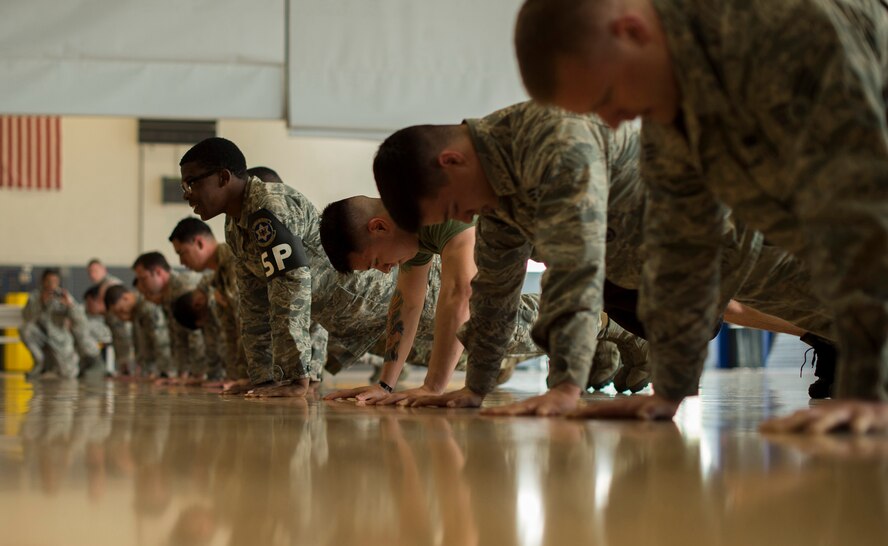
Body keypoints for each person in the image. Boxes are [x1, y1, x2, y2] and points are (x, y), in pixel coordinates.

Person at [513, 0, 888, 432]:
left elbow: (861, 205)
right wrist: (668, 392)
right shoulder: (672, 116)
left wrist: (868, 386)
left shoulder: (780, 25)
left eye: (607, 98)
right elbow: (683, 250)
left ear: (632, 32)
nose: (614, 123)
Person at [373, 101, 836, 415]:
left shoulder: (550, 138)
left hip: (731, 231)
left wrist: (566, 388)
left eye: (456, 208)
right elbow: (493, 294)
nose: (467, 217)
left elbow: (578, 266)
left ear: (452, 162)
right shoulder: (499, 201)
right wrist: (474, 389)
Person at [178, 139, 447, 397]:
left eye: (191, 183)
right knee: (452, 360)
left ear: (223, 178)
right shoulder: (236, 228)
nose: (186, 195)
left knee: (471, 344)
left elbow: (292, 293)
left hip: (393, 300)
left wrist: (296, 376)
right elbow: (253, 307)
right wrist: (261, 377)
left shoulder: (269, 207)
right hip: (357, 323)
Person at [319, 196, 649, 404]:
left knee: (496, 320)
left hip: (605, 232)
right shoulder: (409, 232)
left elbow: (460, 293)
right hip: (561, 248)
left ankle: (623, 331)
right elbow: (407, 303)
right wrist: (385, 386)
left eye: (377, 261)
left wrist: (433, 387)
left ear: (378, 227)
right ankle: (607, 334)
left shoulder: (435, 207)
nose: (385, 270)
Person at [132, 252, 209, 383]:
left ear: (158, 272)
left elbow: (195, 333)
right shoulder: (167, 295)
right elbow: (178, 337)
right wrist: (181, 374)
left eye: (143, 278)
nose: (141, 284)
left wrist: (198, 374)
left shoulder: (183, 287)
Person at [20, 269, 80, 380]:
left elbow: (79, 320)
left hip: (60, 338)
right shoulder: (35, 296)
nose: (51, 284)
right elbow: (27, 317)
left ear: (59, 282)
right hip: (40, 336)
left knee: (68, 374)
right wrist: (41, 302)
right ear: (43, 281)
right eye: (48, 281)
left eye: (55, 281)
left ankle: (55, 369)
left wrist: (70, 305)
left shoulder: (64, 296)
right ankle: (40, 362)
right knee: (26, 330)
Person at [104, 284, 172, 377]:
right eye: (117, 314)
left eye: (121, 310)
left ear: (126, 298)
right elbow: (142, 346)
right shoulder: (137, 313)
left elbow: (161, 341)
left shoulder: (146, 307)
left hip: (167, 369)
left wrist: (165, 372)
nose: (121, 316)